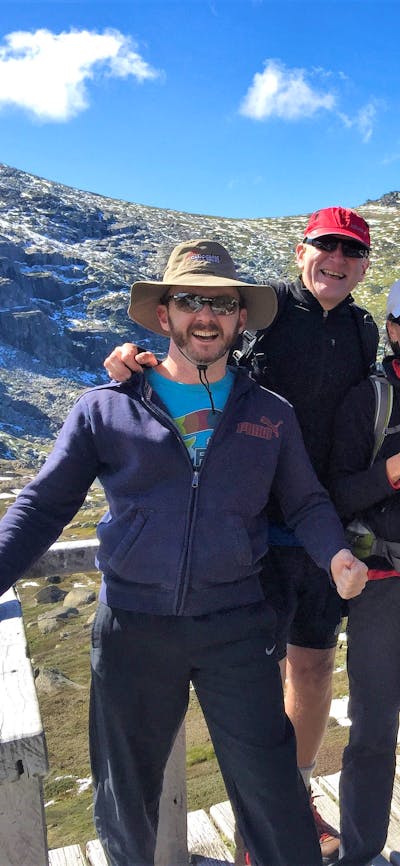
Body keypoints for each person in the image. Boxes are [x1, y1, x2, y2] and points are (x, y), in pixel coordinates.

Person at [0, 238, 368, 866]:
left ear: (240, 319)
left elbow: (305, 502)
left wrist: (335, 553)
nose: (207, 315)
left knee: (275, 796)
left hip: (237, 626)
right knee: (127, 801)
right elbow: (42, 505)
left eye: (222, 304)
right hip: (132, 630)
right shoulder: (106, 407)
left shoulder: (270, 415)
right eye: (191, 300)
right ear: (164, 313)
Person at [104, 207, 378, 862]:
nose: (337, 260)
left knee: (310, 672)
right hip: (250, 531)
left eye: (352, 250)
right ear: (299, 251)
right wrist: (128, 359)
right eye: (325, 246)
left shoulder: (367, 331)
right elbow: (194, 356)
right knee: (247, 682)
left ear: (365, 265)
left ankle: (295, 801)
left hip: (320, 532)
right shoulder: (262, 311)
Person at [328, 278, 400, 866]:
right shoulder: (369, 400)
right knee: (374, 730)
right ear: (394, 331)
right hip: (383, 591)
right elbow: (335, 493)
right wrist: (392, 472)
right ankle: (360, 854)